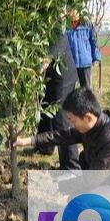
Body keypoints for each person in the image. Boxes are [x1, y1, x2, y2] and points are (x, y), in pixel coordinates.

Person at [15, 88, 110, 200]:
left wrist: (58, 187)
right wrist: (28, 141)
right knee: (77, 195)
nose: (71, 124)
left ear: (87, 117)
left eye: (72, 120)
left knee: (83, 203)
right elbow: (63, 136)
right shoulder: (95, 124)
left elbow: (92, 178)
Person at [35, 32, 80, 169]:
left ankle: (71, 165)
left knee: (61, 119)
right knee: (44, 110)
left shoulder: (54, 20)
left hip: (63, 76)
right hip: (48, 77)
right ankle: (45, 147)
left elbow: (55, 45)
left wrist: (43, 62)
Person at [65, 9, 101, 89]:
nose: (72, 12)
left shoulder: (87, 23)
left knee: (86, 90)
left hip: (85, 63)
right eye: (70, 9)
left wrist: (96, 57)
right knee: (70, 90)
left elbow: (94, 41)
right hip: (71, 64)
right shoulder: (65, 25)